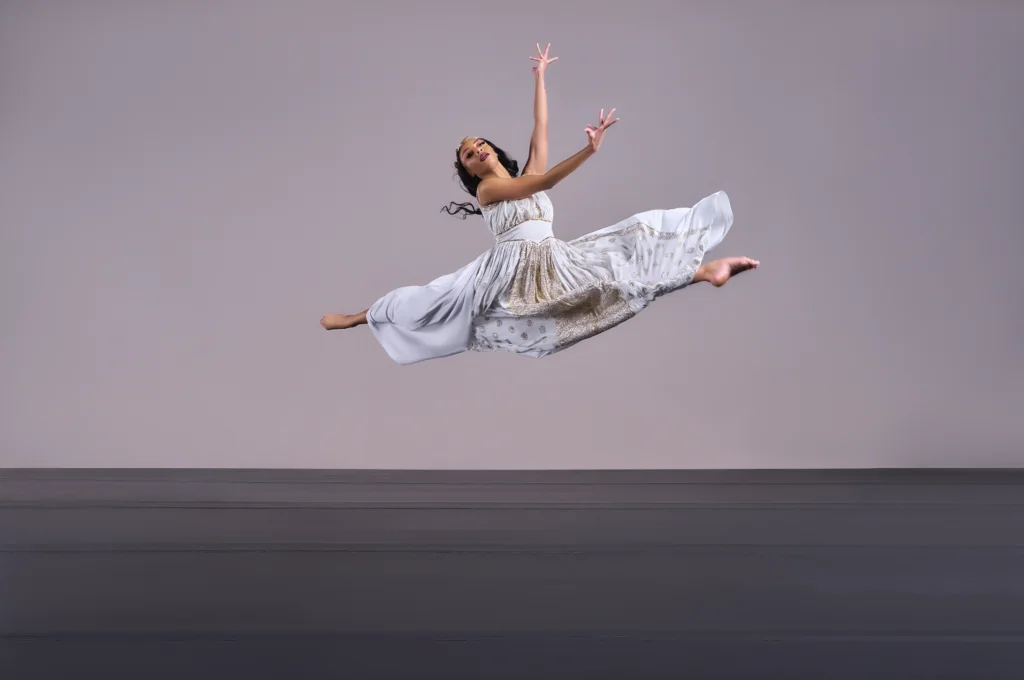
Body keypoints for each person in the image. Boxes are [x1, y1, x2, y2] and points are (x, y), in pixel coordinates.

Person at [321, 43, 758, 365]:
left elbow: (541, 128)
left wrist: (540, 78)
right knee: (427, 302)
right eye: (469, 155)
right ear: (471, 172)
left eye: (479, 144)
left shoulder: (522, 176)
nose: (477, 151)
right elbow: (547, 180)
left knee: (620, 275)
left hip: (554, 260)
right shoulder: (488, 192)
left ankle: (702, 273)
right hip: (508, 271)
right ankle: (357, 317)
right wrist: (590, 151)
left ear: (491, 147)